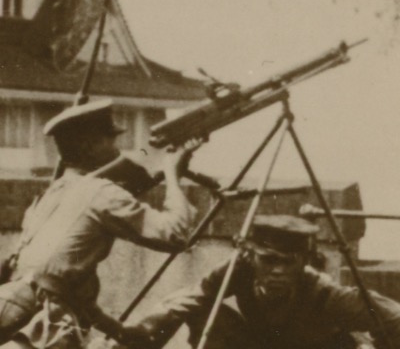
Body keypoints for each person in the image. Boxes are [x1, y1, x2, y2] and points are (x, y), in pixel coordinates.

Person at [0, 99, 200, 348]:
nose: (117, 150)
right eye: (110, 140)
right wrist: (172, 173)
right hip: (40, 329)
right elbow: (175, 234)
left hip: (13, 314)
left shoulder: (50, 195)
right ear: (90, 146)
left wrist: (119, 331)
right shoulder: (101, 192)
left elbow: (64, 286)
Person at [124, 215, 400, 349]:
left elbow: (393, 318)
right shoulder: (237, 270)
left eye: (288, 262)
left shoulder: (323, 291)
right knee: (200, 308)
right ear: (250, 257)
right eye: (268, 260)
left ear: (303, 261)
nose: (277, 271)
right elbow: (184, 301)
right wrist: (137, 336)